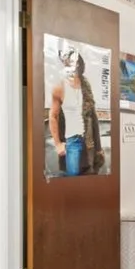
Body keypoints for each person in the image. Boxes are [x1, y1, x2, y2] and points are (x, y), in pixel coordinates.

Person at [49, 47, 87, 176]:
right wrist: (58, 143)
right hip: (72, 140)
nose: (74, 65)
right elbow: (53, 116)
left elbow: (92, 116)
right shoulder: (60, 87)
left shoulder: (85, 86)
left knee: (90, 178)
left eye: (76, 62)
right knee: (73, 178)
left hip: (89, 139)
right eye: (70, 62)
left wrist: (98, 148)